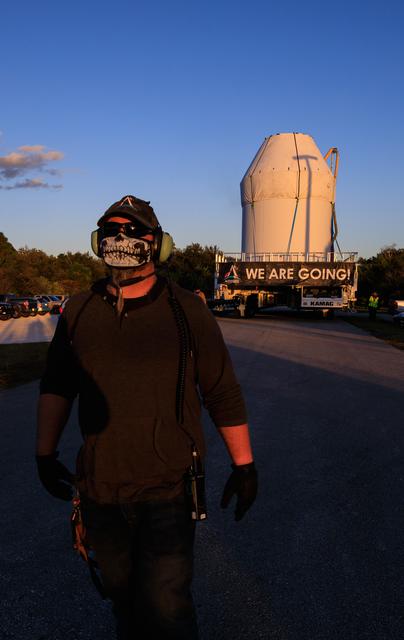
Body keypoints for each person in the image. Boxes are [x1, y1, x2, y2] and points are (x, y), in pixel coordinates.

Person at [35, 195, 257, 640]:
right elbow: (57, 386)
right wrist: (44, 454)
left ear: (158, 244)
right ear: (98, 241)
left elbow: (220, 390)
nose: (121, 238)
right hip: (99, 489)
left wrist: (244, 465)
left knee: (168, 608)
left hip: (168, 489)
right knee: (124, 600)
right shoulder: (78, 310)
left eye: (133, 231)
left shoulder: (187, 310)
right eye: (112, 230)